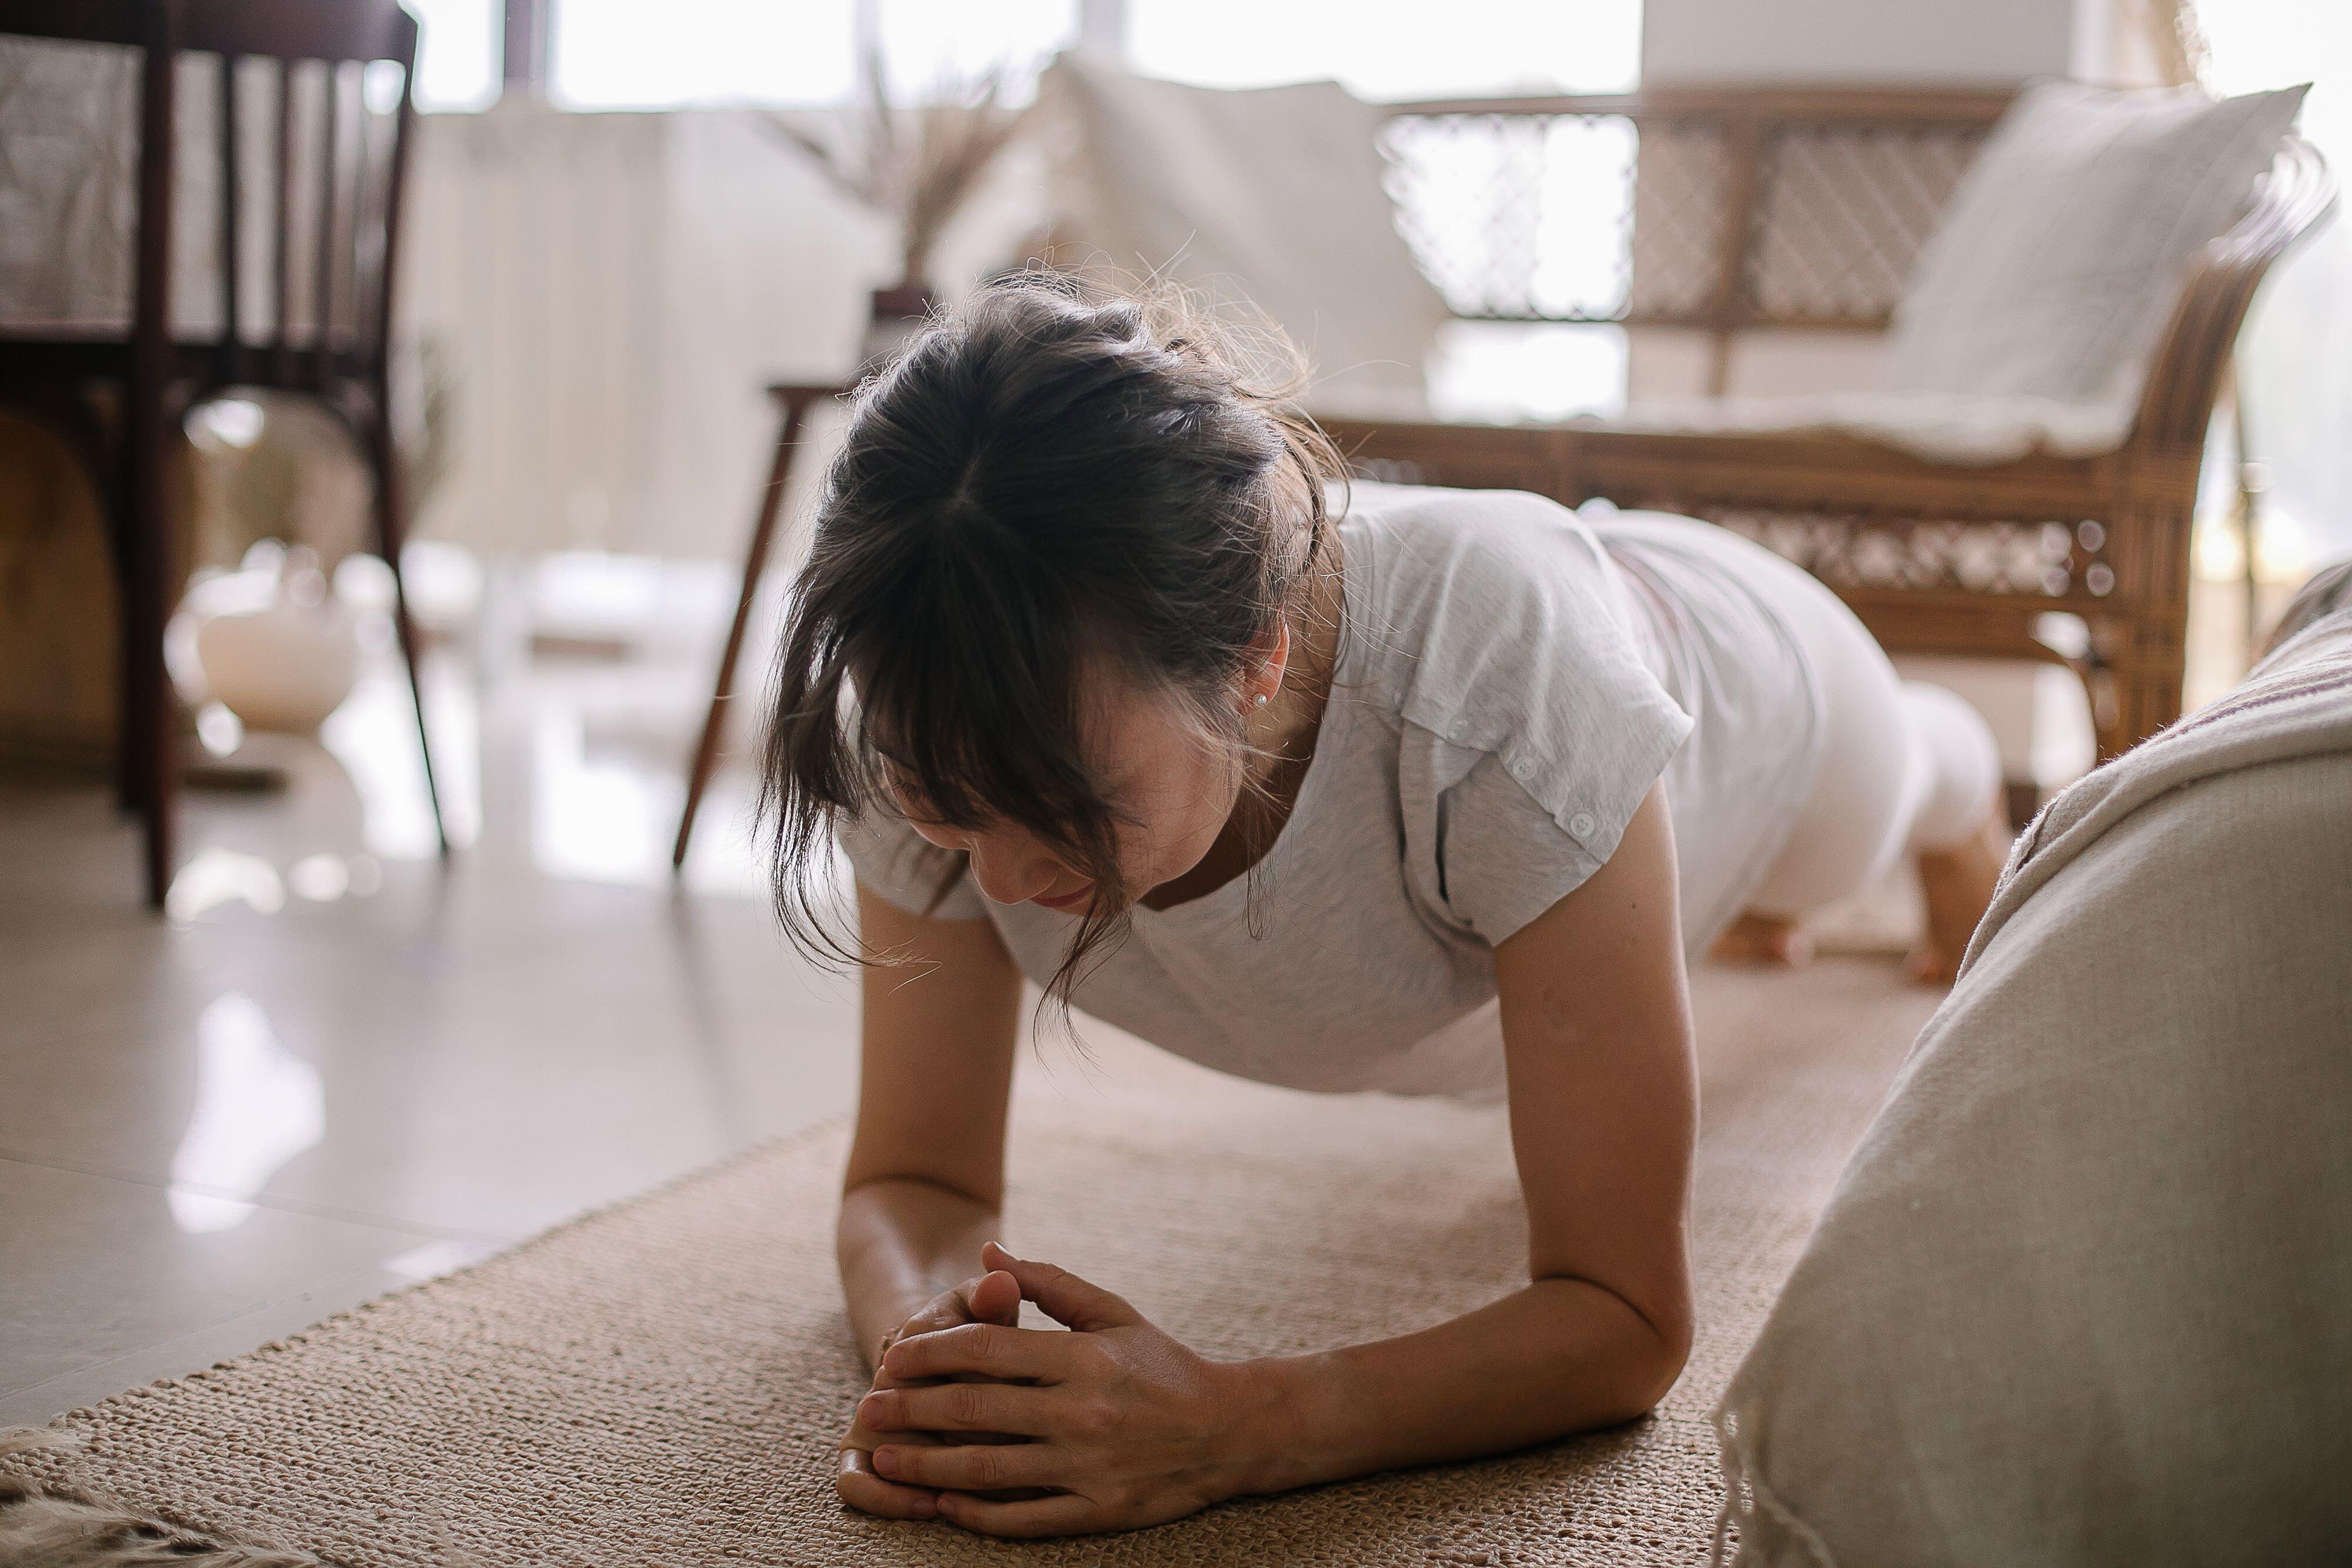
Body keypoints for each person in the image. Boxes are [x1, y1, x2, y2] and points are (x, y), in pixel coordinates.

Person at [759, 276, 2011, 1539]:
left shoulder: (1509, 700)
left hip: (1744, 679)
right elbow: (913, 1177)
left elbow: (1624, 1317)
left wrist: (1232, 1427)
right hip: (1509, 668)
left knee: (1898, 790)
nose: (993, 884)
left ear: (1256, 656)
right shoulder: (927, 692)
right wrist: (935, 1357)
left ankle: (1958, 800)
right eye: (944, 803)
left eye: (1065, 805)